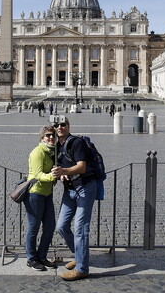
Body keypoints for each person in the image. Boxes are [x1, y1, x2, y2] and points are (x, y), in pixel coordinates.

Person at [51, 117, 96, 281]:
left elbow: (81, 167)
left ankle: (82, 268)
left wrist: (64, 171)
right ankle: (78, 255)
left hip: (85, 187)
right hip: (70, 189)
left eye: (63, 124)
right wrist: (62, 175)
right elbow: (63, 167)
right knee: (61, 226)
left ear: (69, 126)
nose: (60, 127)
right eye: (57, 125)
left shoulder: (77, 143)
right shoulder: (58, 146)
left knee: (81, 228)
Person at [24, 125, 58, 271]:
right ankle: (31, 258)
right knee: (34, 227)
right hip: (35, 193)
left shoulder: (52, 152)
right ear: (42, 138)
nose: (51, 138)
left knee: (50, 226)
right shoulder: (38, 152)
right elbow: (37, 174)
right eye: (48, 135)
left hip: (47, 193)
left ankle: (42, 256)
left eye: (53, 135)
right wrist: (52, 176)